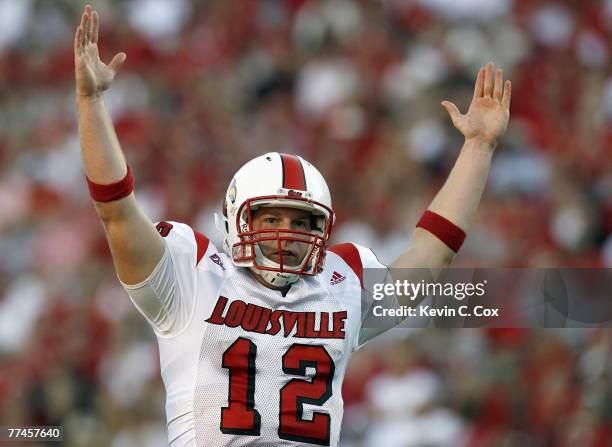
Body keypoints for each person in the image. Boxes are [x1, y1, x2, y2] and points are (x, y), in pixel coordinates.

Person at [74, 4, 510, 446]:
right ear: (236, 218)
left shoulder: (340, 285)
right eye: (271, 218)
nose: (286, 232)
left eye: (302, 221)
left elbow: (433, 254)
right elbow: (116, 209)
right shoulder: (192, 277)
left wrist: (478, 147)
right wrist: (91, 104)